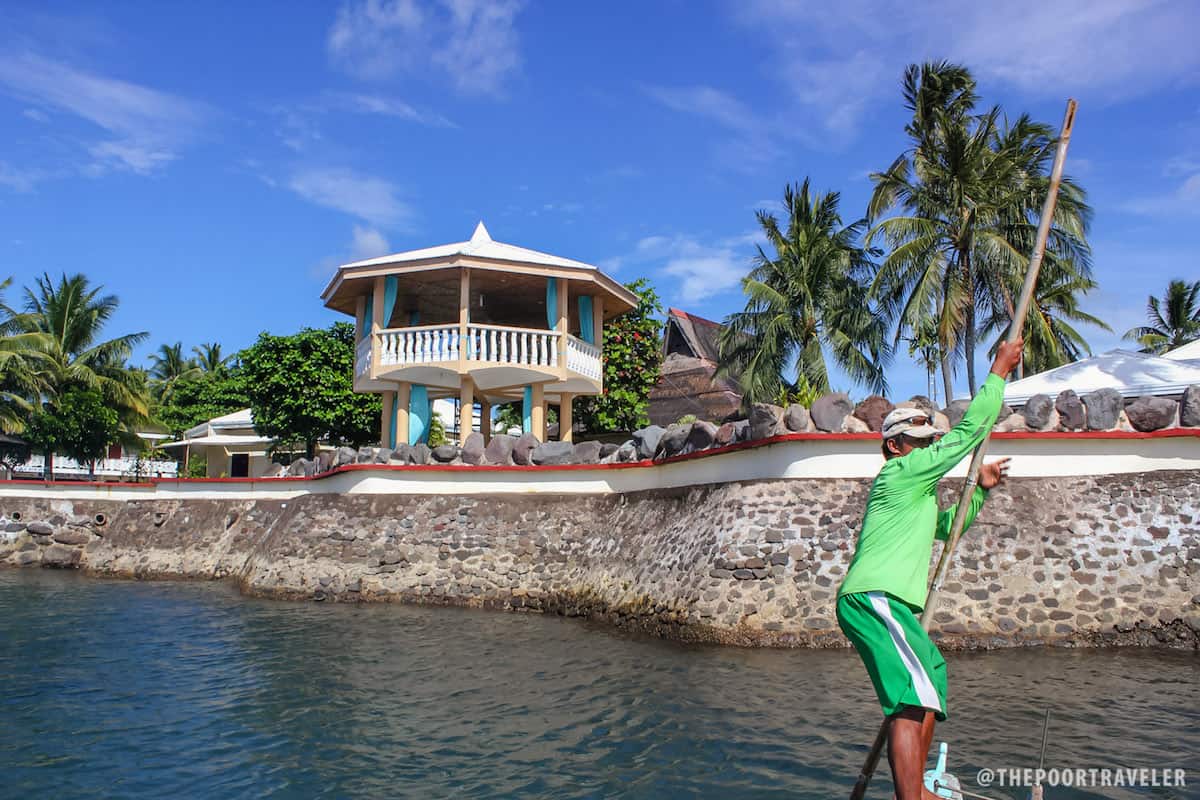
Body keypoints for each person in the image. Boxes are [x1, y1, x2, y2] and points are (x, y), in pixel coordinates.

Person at [836, 337, 1024, 800]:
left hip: (889, 600)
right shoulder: (900, 473)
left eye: (928, 441)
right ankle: (913, 796)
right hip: (874, 596)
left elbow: (948, 527)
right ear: (895, 446)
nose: (927, 447)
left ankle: (917, 789)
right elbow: (966, 436)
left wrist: (979, 490)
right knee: (911, 694)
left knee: (931, 677)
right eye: (918, 442)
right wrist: (998, 371)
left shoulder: (913, 491)